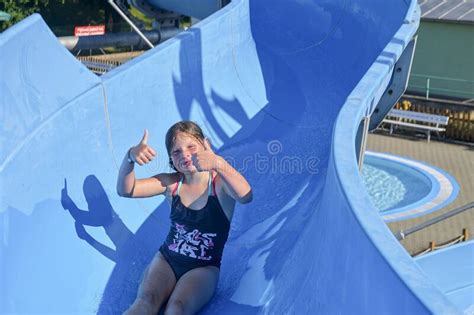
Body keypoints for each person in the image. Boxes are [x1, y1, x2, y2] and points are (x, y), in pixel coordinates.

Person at [118, 121, 252, 315]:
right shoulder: (171, 184)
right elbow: (126, 190)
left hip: (203, 268)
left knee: (176, 308)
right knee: (146, 300)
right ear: (171, 159)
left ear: (205, 145)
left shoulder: (220, 184)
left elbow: (246, 196)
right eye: (176, 152)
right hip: (167, 260)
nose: (185, 154)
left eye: (191, 146)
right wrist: (130, 157)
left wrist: (219, 163)